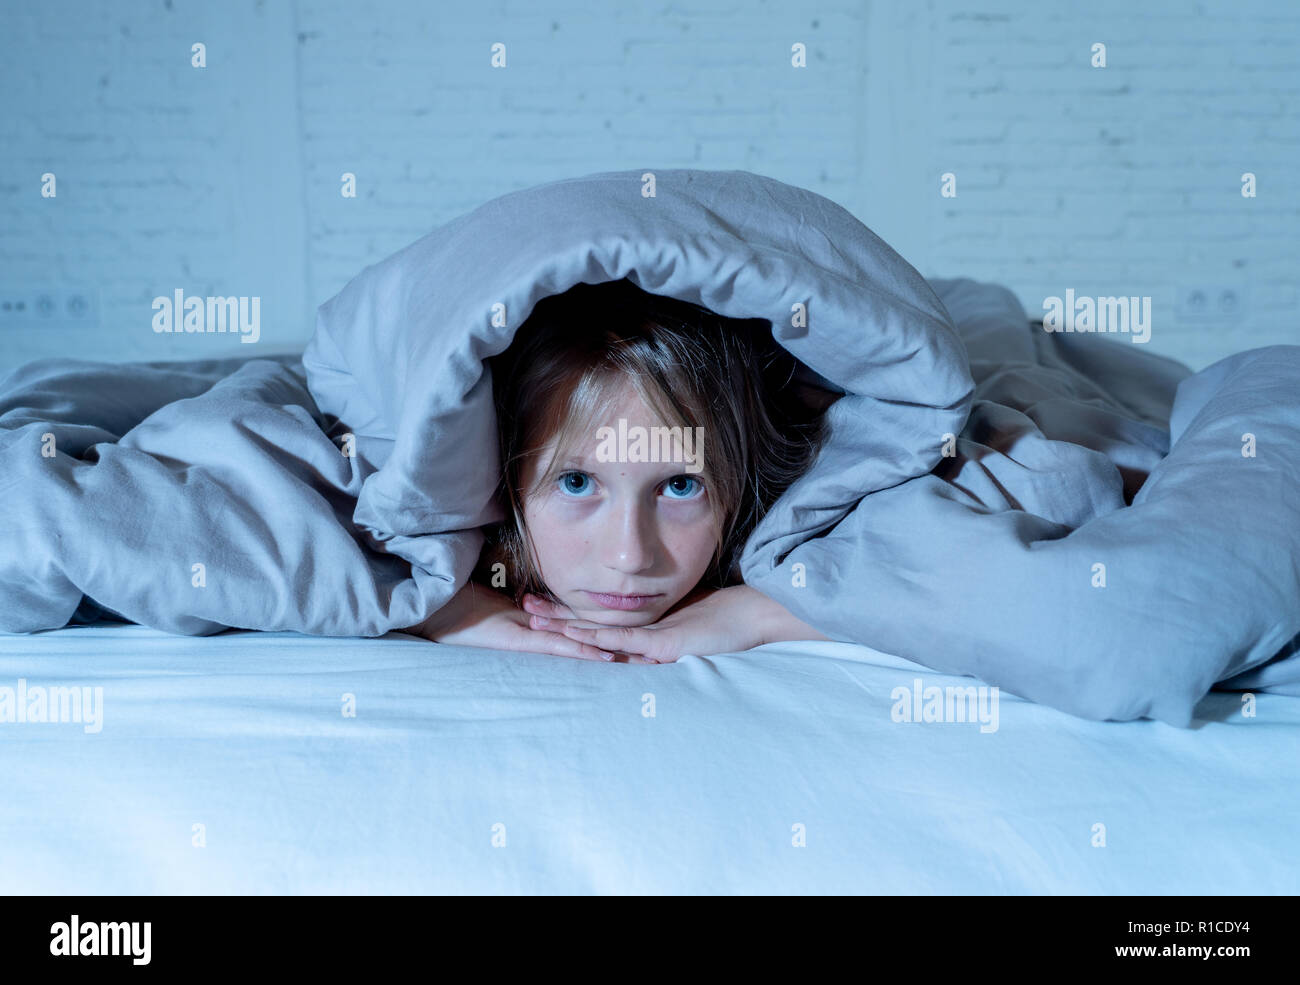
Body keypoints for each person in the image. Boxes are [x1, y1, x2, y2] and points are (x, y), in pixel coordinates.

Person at [402, 278, 838, 662]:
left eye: (681, 486)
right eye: (576, 483)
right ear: (505, 479)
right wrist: (436, 605)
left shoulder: (782, 535)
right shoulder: (444, 527)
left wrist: (756, 613)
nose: (629, 557)